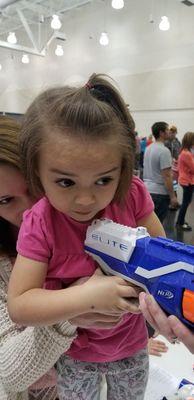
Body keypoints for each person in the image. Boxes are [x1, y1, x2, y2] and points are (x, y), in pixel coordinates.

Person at [8, 74, 165, 400]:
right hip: (76, 357)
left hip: (132, 347)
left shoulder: (131, 196)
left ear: (122, 170)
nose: (85, 200)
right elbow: (20, 305)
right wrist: (88, 298)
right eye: (66, 182)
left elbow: (160, 254)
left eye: (103, 180)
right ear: (36, 171)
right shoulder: (41, 222)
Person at [0, 116, 127, 400]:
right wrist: (74, 307)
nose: (30, 210)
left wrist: (131, 338)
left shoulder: (92, 223)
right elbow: (8, 371)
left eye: (38, 190)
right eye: (5, 201)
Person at [143, 121, 179, 223]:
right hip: (159, 194)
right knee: (157, 225)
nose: (169, 132)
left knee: (149, 224)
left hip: (147, 190)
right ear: (161, 133)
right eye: (167, 130)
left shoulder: (148, 148)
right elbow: (167, 176)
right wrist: (173, 196)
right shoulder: (164, 151)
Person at [176, 132, 194, 231]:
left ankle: (180, 220)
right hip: (187, 181)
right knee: (186, 202)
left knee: (186, 202)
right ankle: (180, 222)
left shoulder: (184, 152)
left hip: (186, 180)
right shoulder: (186, 154)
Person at [165, 125, 181, 210]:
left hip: (174, 166)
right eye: (171, 132)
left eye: (174, 133)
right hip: (168, 165)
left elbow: (178, 153)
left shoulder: (177, 142)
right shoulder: (166, 142)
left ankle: (174, 202)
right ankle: (172, 202)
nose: (172, 134)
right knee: (170, 184)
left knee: (174, 184)